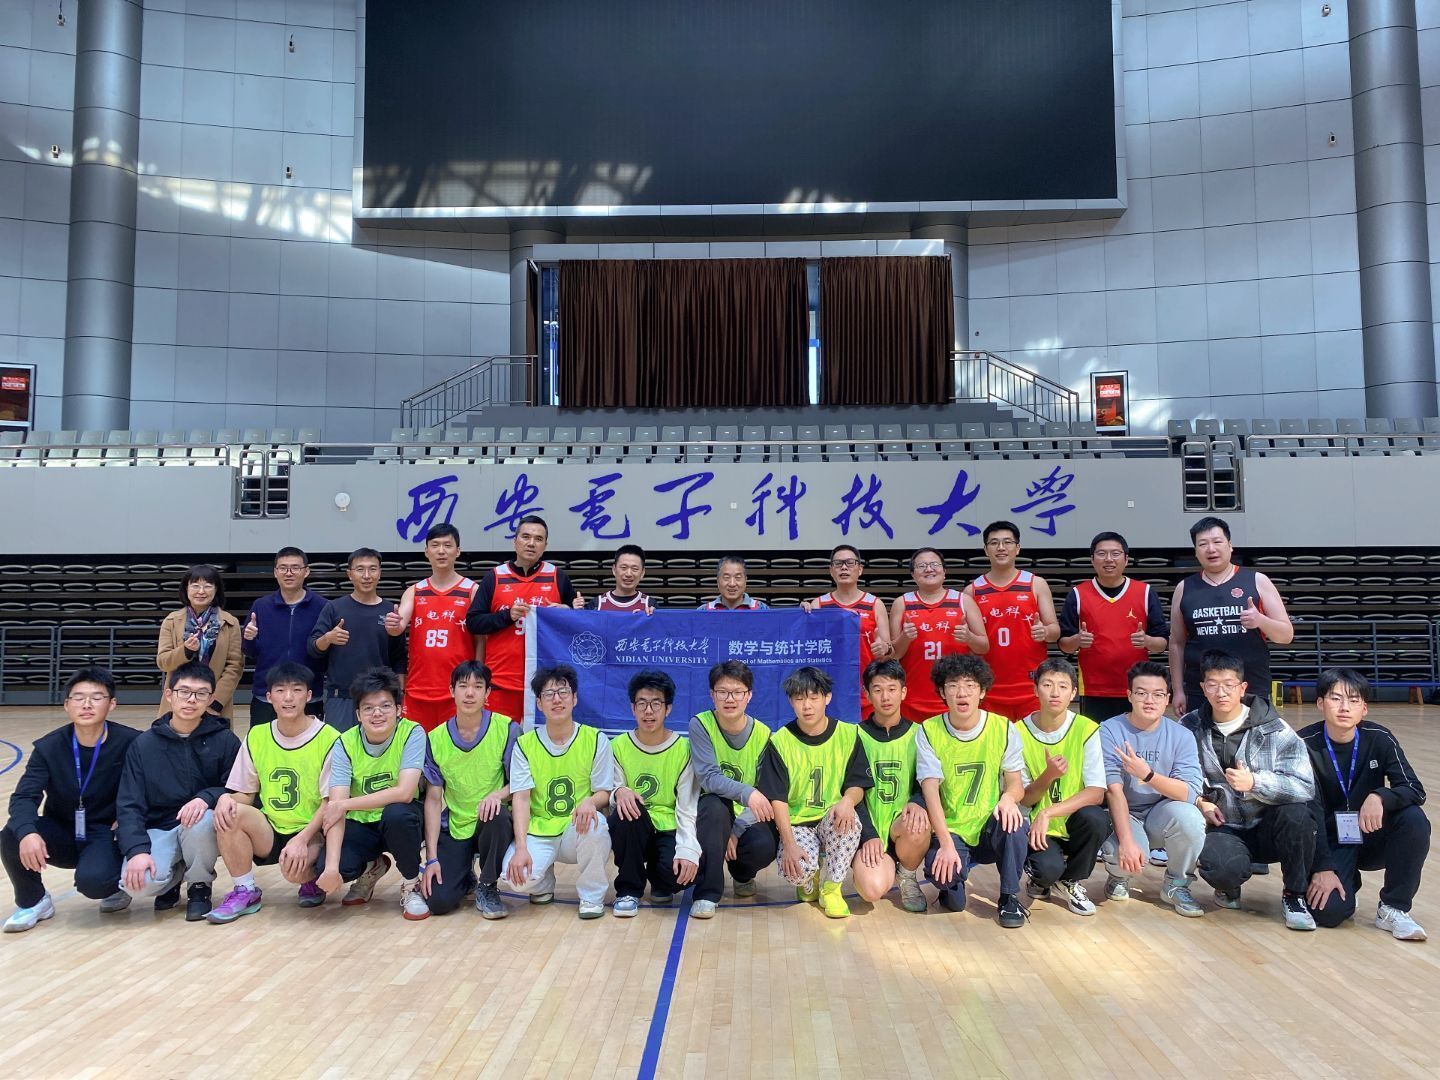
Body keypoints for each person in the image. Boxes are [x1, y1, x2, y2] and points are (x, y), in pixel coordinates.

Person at [1181, 651, 1317, 929]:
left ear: (1242, 688)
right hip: (1223, 827)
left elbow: (1304, 786)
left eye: (1229, 684)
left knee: (1298, 814)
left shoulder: (1276, 729)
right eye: (1213, 684)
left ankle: (1294, 895)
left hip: (1269, 828)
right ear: (1203, 687)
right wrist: (1198, 802)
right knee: (1221, 866)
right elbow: (1175, 777)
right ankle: (1228, 885)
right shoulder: (1188, 727)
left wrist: (1255, 783)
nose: (1221, 692)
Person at [2, 667, 140, 932]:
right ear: (66, 705)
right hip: (64, 830)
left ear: (112, 704)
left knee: (94, 882)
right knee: (13, 833)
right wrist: (28, 832)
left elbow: (149, 791)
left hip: (106, 832)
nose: (87, 704)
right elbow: (24, 796)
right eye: (78, 697)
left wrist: (128, 823)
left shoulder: (132, 742)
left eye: (96, 697)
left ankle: (115, 884)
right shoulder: (48, 747)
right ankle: (34, 901)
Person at [207, 662, 342, 923]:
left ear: (309, 695)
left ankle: (311, 877)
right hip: (271, 828)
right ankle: (245, 890)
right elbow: (244, 794)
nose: (288, 698)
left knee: (293, 871)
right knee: (230, 813)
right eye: (280, 691)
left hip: (313, 832)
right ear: (269, 697)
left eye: (296, 690)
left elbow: (330, 802)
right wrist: (224, 798)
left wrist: (302, 839)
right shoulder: (257, 735)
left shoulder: (330, 738)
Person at [1302, 668, 1429, 940]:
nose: (1344, 707)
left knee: (1414, 819)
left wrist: (1380, 796)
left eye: (1354, 700)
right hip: (1328, 839)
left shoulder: (1379, 738)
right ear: (1320, 703)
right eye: (1336, 698)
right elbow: (1306, 814)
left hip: (1370, 834)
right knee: (1329, 913)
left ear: (1365, 708)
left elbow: (1414, 789)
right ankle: (1347, 880)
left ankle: (1393, 908)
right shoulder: (1303, 744)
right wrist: (1323, 867)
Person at [116, 662, 240, 922]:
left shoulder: (225, 740)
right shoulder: (144, 744)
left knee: (203, 820)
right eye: (184, 692)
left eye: (201, 693)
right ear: (169, 694)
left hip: (201, 825)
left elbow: (237, 787)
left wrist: (206, 797)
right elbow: (129, 803)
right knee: (137, 884)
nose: (191, 700)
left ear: (210, 699)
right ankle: (174, 878)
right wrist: (137, 851)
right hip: (159, 827)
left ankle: (199, 885)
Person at [914, 654, 1029, 928]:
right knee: (948, 888)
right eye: (953, 685)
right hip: (952, 829)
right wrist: (945, 844)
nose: (962, 693)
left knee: (1015, 822)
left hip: (989, 826)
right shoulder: (929, 730)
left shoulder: (1003, 727)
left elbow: (1015, 782)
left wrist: (1008, 798)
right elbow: (930, 791)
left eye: (970, 685)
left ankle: (1009, 897)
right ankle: (953, 883)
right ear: (942, 692)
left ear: (982, 691)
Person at [756, 667, 871, 919]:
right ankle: (810, 879)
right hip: (798, 824)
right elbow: (778, 799)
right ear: (791, 702)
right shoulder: (780, 741)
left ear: (827, 697)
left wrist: (847, 801)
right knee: (795, 870)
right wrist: (788, 844)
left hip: (831, 817)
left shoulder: (848, 734)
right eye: (799, 698)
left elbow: (857, 784)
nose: (806, 705)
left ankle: (831, 888)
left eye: (813, 697)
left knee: (850, 821)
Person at [501, 664, 614, 919]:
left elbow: (604, 791)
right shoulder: (525, 744)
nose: (557, 699)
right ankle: (542, 883)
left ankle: (591, 896)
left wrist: (590, 802)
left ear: (574, 698)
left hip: (576, 828)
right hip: (540, 829)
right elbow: (521, 799)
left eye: (563, 692)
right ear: (539, 703)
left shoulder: (595, 739)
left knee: (596, 824)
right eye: (548, 694)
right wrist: (521, 848)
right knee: (515, 879)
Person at [315, 668, 428, 920]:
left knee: (398, 814)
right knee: (329, 865)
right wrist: (331, 868)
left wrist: (344, 804)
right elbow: (336, 807)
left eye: (385, 706)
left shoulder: (412, 733)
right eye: (368, 708)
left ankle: (411, 884)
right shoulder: (345, 743)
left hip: (402, 820)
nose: (377, 713)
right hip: (362, 824)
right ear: (358, 714)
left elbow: (405, 792)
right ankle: (372, 867)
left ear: (398, 709)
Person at [1098, 662, 1207, 917]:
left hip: (1161, 811)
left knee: (1190, 817)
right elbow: (1113, 790)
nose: (1149, 700)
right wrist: (1127, 842)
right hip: (1124, 812)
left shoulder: (1181, 735)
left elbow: (1188, 793)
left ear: (1167, 698)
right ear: (1129, 695)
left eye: (1158, 694)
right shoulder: (1109, 730)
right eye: (1141, 693)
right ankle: (1118, 877)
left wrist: (1147, 775)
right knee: (1124, 857)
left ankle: (1176, 884)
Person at [421, 661, 519, 919]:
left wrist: (497, 795)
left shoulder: (507, 729)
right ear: (451, 690)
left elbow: (520, 784)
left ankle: (487, 885)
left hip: (493, 823)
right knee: (439, 902)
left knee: (498, 815)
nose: (470, 693)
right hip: (456, 825)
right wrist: (431, 858)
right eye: (463, 686)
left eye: (478, 686)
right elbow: (433, 800)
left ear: (488, 693)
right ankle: (465, 877)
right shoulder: (435, 738)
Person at [1169, 515, 1293, 714]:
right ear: (1196, 551)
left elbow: (1286, 635)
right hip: (1201, 690)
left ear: (1230, 545)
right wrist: (1178, 690)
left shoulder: (1258, 581)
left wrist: (1261, 620)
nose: (1211, 549)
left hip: (1251, 688)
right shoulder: (1184, 588)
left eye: (1217, 541)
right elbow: (1176, 643)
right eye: (1203, 544)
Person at [464, 515, 582, 725]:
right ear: (515, 541)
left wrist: (568, 612)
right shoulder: (495, 577)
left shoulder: (558, 577)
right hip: (502, 681)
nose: (531, 543)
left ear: (545, 546)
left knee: (542, 743)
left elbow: (578, 628)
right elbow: (474, 622)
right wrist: (507, 616)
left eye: (538, 539)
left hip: (546, 685)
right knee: (502, 742)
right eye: (526, 537)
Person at [1017, 658, 1107, 917]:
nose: (1055, 692)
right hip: (1035, 825)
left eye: (1063, 686)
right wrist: (1048, 775)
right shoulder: (1017, 732)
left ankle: (1071, 881)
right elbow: (1024, 799)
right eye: (1047, 685)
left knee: (1097, 819)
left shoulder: (1087, 729)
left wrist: (1049, 812)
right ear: (1035, 689)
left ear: (1073, 693)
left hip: (1070, 820)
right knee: (1046, 871)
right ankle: (1041, 878)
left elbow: (1096, 792)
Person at [688, 660, 777, 919]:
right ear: (712, 695)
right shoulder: (701, 724)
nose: (730, 698)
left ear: (749, 695)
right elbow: (708, 778)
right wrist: (747, 793)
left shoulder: (763, 734)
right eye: (723, 692)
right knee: (714, 810)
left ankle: (742, 874)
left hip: (746, 815)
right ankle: (707, 893)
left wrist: (735, 830)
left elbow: (765, 790)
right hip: (712, 810)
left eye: (737, 692)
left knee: (765, 844)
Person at [609, 671, 700, 917]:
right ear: (633, 708)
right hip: (635, 828)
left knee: (680, 875)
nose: (648, 711)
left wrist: (687, 849)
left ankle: (660, 878)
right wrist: (619, 791)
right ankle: (628, 890)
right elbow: (612, 791)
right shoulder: (617, 746)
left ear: (668, 708)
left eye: (656, 704)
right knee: (628, 808)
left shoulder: (683, 749)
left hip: (668, 828)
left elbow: (687, 806)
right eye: (642, 703)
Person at [1057, 531, 1169, 721]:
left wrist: (1147, 641)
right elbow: (1064, 644)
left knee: (1136, 737)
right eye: (1101, 553)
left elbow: (1162, 644)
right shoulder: (1078, 594)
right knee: (1097, 738)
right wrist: (1077, 640)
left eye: (1115, 553)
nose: (1108, 559)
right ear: (1092, 559)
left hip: (1137, 687)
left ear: (1126, 559)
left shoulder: (1145, 592)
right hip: (1094, 688)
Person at [849, 660, 930, 913]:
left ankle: (907, 874)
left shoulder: (919, 734)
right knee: (871, 890)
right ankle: (876, 865)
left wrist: (917, 803)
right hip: (868, 827)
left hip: (900, 825)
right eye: (878, 690)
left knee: (919, 823)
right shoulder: (854, 735)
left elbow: (928, 783)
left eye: (892, 689)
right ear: (867, 694)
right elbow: (850, 791)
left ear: (903, 692)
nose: (885, 697)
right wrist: (868, 835)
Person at [385, 523, 480, 732]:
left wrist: (478, 679)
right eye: (435, 545)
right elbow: (398, 627)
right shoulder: (415, 591)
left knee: (455, 748)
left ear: (458, 551)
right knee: (418, 748)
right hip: (418, 689)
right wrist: (393, 624)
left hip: (458, 690)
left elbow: (482, 640)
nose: (441, 551)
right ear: (426, 552)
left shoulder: (472, 591)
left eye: (447, 545)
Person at [965, 521, 1060, 722]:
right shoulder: (972, 591)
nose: (1001, 547)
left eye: (1007, 542)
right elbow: (970, 643)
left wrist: (1045, 632)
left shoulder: (1036, 584)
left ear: (1017, 548)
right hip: (989, 687)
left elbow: (1055, 631)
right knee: (996, 742)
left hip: (1032, 687)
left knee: (1033, 741)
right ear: (986, 549)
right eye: (994, 543)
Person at [308, 548, 408, 731]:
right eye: (360, 569)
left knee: (380, 748)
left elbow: (399, 658)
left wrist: (400, 695)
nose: (367, 575)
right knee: (340, 747)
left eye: (372, 569)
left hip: (379, 698)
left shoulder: (390, 611)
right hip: (341, 697)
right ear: (349, 574)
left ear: (380, 573)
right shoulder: (334, 608)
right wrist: (328, 638)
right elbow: (313, 648)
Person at [889, 547, 988, 724]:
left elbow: (984, 647)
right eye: (922, 566)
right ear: (913, 574)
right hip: (914, 697)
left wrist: (969, 638)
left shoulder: (963, 601)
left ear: (944, 571)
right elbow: (894, 654)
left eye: (934, 564)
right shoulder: (901, 603)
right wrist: (905, 637)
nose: (929, 569)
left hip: (956, 697)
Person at [802, 545, 892, 718]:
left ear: (860, 569)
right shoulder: (818, 605)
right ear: (831, 570)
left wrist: (884, 649)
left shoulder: (875, 604)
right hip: (830, 690)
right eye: (838, 563)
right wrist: (801, 616)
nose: (844, 567)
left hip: (866, 690)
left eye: (850, 563)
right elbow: (809, 650)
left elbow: (888, 654)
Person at [242, 546, 327, 724]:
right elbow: (250, 652)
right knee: (263, 741)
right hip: (267, 694)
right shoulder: (261, 606)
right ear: (275, 572)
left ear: (306, 571)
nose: (289, 573)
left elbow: (326, 653)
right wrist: (249, 639)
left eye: (295, 568)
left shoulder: (323, 606)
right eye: (283, 568)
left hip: (308, 694)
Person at [156, 564, 243, 722]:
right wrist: (186, 650)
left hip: (213, 704)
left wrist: (215, 701)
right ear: (186, 589)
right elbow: (163, 662)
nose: (201, 591)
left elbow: (235, 666)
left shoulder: (230, 622)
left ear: (216, 590)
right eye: (195, 586)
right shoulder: (171, 621)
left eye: (207, 586)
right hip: (178, 701)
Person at [595, 544, 654, 613]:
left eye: (635, 569)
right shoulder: (597, 604)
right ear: (614, 570)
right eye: (623, 568)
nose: (628, 574)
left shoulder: (649, 604)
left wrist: (653, 616)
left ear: (642, 573)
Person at [699, 555, 769, 610]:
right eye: (726, 577)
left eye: (738, 577)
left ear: (745, 581)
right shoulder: (703, 611)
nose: (732, 584)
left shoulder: (761, 609)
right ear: (718, 581)